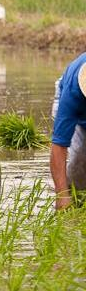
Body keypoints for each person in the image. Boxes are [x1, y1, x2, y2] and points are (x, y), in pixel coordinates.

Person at [50, 52, 86, 210]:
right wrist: (62, 196)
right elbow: (59, 145)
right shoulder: (73, 93)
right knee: (78, 175)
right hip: (77, 110)